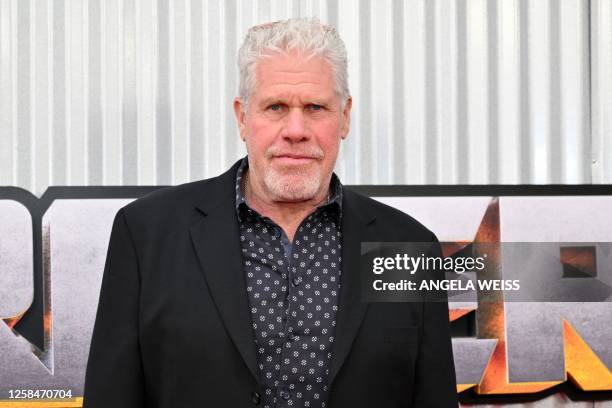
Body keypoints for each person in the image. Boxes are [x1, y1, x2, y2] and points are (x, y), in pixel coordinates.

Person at [83, 17, 457, 408]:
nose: (296, 130)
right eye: (275, 106)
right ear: (243, 117)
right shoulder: (147, 234)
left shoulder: (406, 246)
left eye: (315, 107)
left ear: (344, 117)